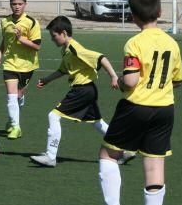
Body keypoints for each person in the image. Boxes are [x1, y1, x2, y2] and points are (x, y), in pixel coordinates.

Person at [99, 0, 182, 205]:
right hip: (164, 109)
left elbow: (132, 79)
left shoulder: (134, 43)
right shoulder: (172, 42)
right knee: (154, 165)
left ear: (133, 16)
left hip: (135, 106)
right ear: (159, 12)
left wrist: (123, 84)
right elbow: (178, 79)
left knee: (108, 155)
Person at [31, 16, 135, 167]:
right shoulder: (66, 50)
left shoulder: (75, 48)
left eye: (54, 36)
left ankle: (50, 156)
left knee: (53, 116)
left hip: (82, 90)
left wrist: (113, 76)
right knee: (98, 123)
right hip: (88, 90)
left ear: (64, 33)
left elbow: (101, 58)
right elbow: (63, 70)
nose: (53, 40)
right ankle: (125, 150)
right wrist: (47, 80)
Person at [0, 0, 41, 139]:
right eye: (14, 4)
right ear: (10, 4)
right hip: (10, 64)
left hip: (27, 65)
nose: (17, 6)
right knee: (11, 96)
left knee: (19, 95)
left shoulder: (31, 22)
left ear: (25, 4)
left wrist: (21, 39)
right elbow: (5, 40)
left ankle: (12, 120)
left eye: (20, 3)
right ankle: (16, 127)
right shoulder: (5, 21)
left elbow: (37, 45)